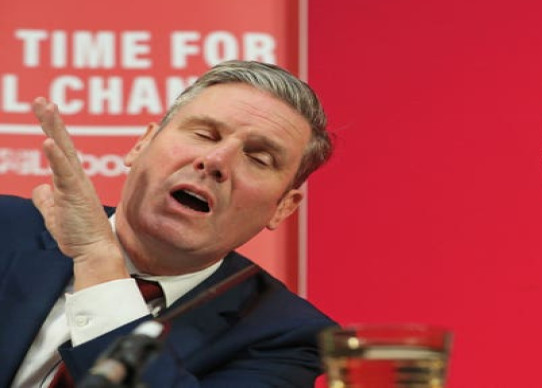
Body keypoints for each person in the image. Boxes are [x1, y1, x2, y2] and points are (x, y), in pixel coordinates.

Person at [0, 60, 337, 387]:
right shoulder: (6, 229)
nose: (216, 160)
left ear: (282, 208)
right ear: (142, 143)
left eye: (258, 158)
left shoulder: (285, 337)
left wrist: (99, 265)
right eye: (205, 134)